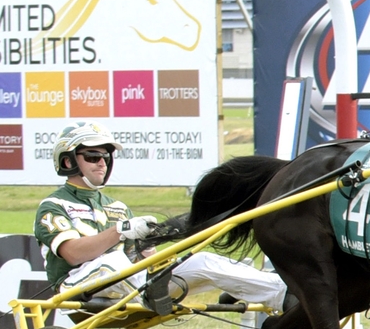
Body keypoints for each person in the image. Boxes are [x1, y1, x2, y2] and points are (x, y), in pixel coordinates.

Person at [35, 122, 291, 311]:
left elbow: (143, 259)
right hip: (76, 289)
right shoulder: (54, 205)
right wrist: (120, 231)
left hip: (133, 285)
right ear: (68, 162)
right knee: (111, 262)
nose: (102, 163)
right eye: (92, 156)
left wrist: (159, 250)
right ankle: (148, 291)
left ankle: (286, 295)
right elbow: (73, 254)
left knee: (201, 260)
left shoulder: (117, 207)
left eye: (105, 156)